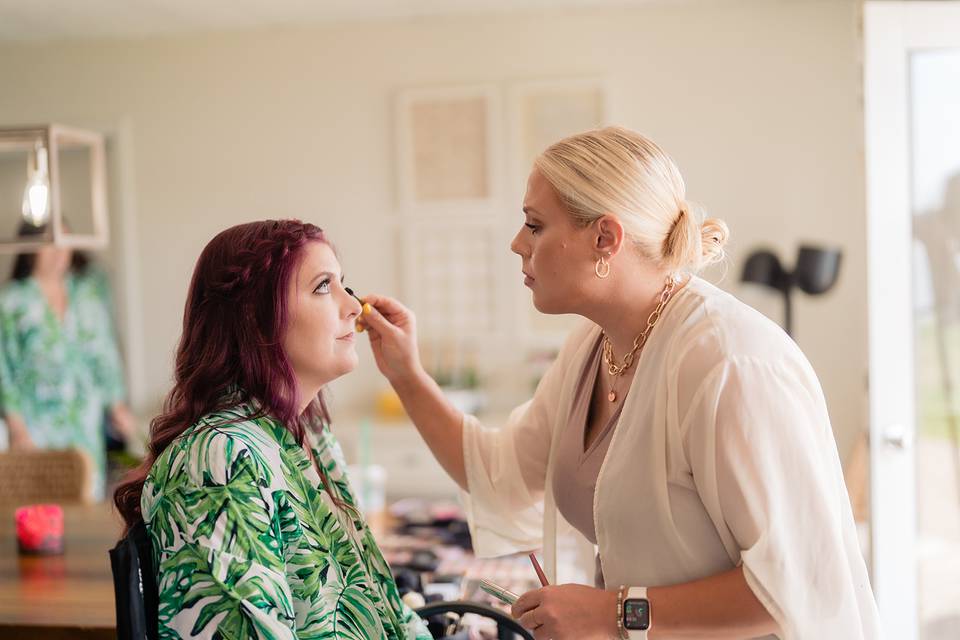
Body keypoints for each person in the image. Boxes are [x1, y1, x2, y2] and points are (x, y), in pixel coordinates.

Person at [358, 127, 881, 639]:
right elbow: (500, 473)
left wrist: (614, 614)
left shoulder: (731, 363)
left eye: (535, 226)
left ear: (605, 237)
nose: (517, 244)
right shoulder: (592, 344)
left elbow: (799, 586)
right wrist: (406, 373)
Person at [113, 220, 431, 640]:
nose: (354, 307)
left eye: (343, 284)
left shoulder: (307, 433)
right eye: (322, 286)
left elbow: (374, 596)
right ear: (257, 318)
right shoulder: (219, 462)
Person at [0, 221, 134, 500]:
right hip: (35, 424)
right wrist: (16, 426)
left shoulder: (87, 294)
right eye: (52, 243)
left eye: (66, 241)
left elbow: (105, 353)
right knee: (41, 509)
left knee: (86, 497)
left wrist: (117, 404)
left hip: (84, 421)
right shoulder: (11, 301)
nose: (60, 251)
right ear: (32, 248)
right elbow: (4, 367)